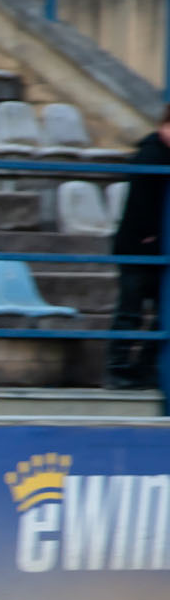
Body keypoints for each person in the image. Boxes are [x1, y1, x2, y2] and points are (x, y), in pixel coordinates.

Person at [108, 106, 170, 390]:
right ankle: (119, 370)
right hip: (138, 247)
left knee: (163, 314)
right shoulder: (150, 154)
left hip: (159, 250)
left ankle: (145, 369)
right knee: (130, 312)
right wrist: (150, 236)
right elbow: (139, 209)